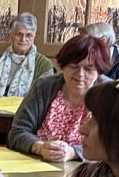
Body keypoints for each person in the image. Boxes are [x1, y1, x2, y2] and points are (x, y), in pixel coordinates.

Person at [10, 34, 111, 164]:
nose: (80, 74)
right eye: (73, 66)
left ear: (99, 71)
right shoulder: (43, 86)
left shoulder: (110, 94)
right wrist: (40, 148)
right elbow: (17, 132)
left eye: (88, 69)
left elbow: (115, 143)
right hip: (38, 165)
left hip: (87, 170)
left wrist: (74, 152)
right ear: (63, 66)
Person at [0, 13, 53, 97]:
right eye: (19, 34)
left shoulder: (43, 65)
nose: (23, 39)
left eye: (28, 35)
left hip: (28, 106)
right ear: (11, 35)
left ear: (34, 37)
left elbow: (45, 98)